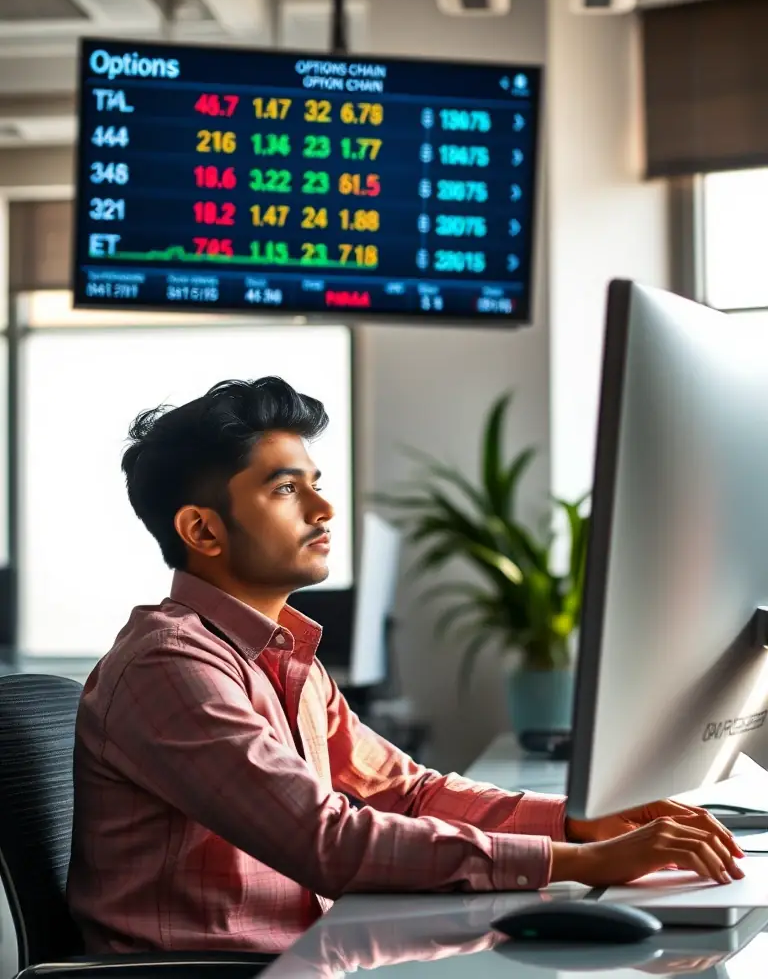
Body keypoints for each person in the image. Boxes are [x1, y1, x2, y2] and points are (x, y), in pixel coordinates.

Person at [67, 377, 745, 956]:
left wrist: (574, 821)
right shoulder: (170, 664)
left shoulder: (285, 656)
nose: (324, 508)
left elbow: (407, 792)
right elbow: (324, 841)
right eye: (284, 489)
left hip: (307, 959)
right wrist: (578, 864)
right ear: (203, 531)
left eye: (316, 485)